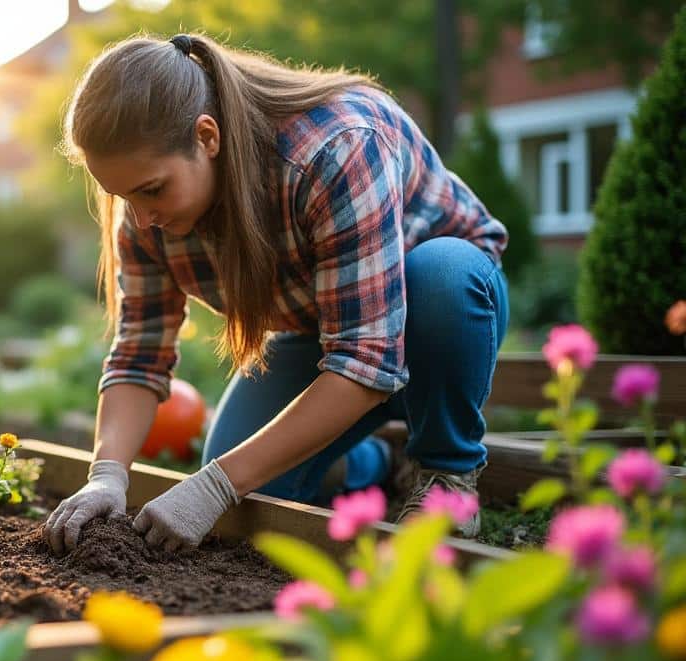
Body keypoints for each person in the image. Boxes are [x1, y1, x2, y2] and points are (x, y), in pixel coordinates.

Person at [45, 33, 509, 554]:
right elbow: (138, 353)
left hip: (441, 324)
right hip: (324, 332)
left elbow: (365, 358)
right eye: (124, 195)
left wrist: (217, 485)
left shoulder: (335, 147)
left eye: (153, 189)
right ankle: (382, 460)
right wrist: (107, 475)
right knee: (253, 488)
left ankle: (447, 473)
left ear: (207, 137)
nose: (144, 216)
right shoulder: (143, 214)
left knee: (441, 272)